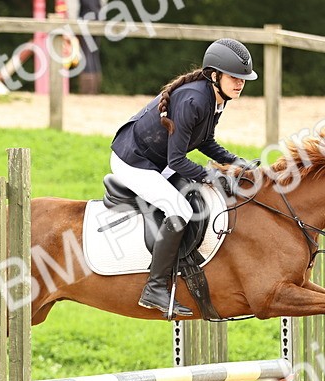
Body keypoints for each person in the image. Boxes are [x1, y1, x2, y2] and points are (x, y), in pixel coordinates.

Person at [109, 38, 258, 317]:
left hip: (159, 160)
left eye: (243, 79)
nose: (240, 83)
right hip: (134, 162)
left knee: (198, 197)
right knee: (180, 209)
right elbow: (178, 160)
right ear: (215, 76)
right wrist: (211, 175)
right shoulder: (194, 100)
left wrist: (239, 163)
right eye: (234, 77)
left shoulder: (216, 99)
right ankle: (154, 288)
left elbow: (205, 142)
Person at [62, 0, 107, 95]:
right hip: (97, 18)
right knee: (93, 54)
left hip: (82, 19)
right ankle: (94, 91)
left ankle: (87, 93)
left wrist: (72, 24)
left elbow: (72, 2)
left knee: (85, 55)